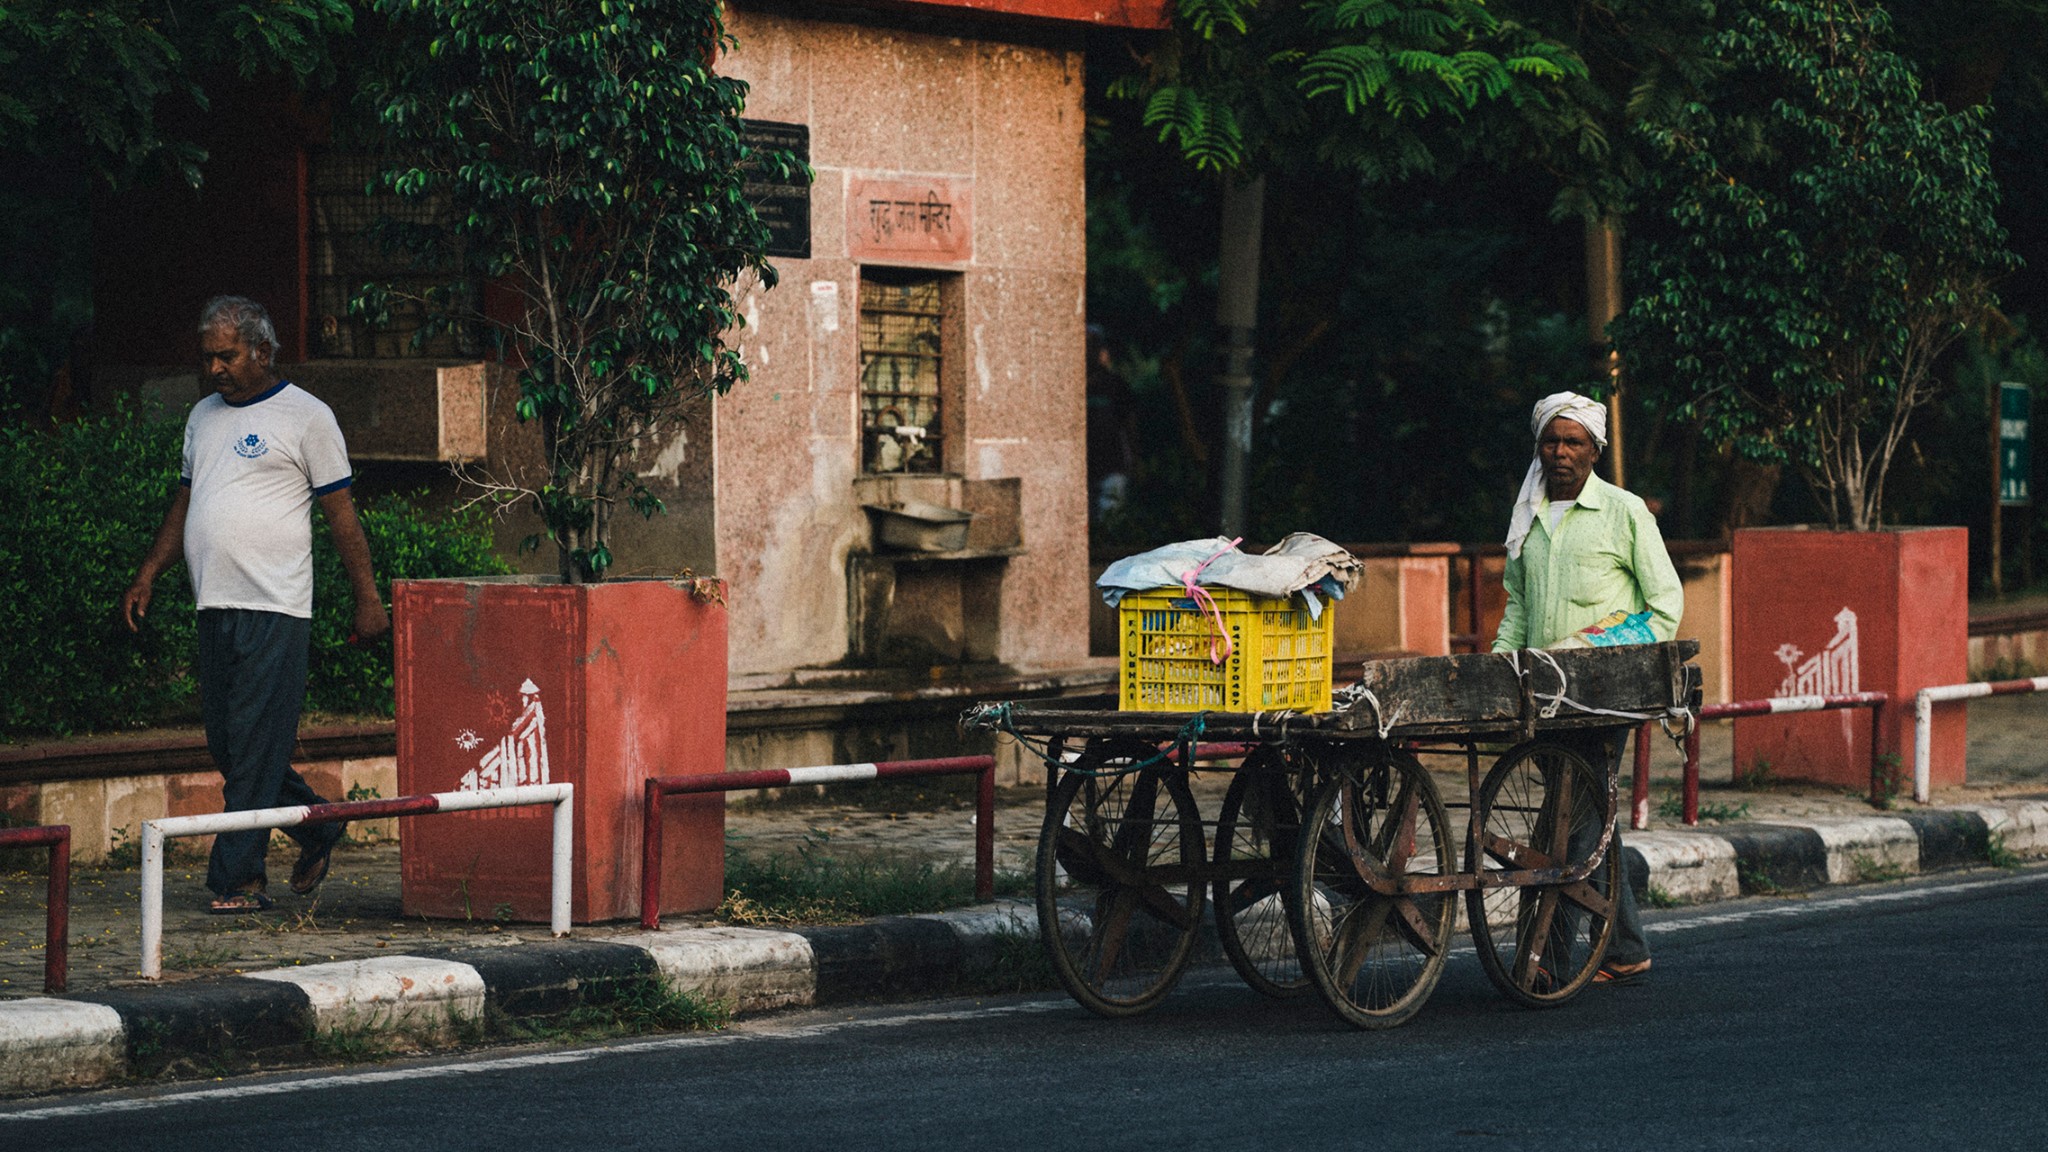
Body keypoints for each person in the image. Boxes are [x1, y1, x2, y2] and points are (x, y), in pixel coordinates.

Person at [121, 296, 390, 913]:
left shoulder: (307, 417)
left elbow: (343, 518)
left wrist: (366, 600)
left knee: (254, 748)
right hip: (212, 603)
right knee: (232, 745)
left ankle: (237, 879)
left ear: (262, 351)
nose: (214, 368)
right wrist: (148, 573)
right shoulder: (202, 417)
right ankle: (319, 827)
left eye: (227, 355)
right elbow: (186, 502)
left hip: (277, 607)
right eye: (208, 357)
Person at [1491, 391, 1683, 985]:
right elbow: (1519, 607)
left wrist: (1592, 647)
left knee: (1568, 819)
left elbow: (1665, 607)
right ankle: (1625, 947)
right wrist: (1499, 667)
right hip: (1543, 695)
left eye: (1574, 442)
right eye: (1552, 441)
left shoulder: (1625, 513)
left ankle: (1550, 961)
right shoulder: (1528, 517)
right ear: (1538, 447)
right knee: (1592, 814)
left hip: (1606, 693)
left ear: (1595, 449)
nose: (1561, 453)